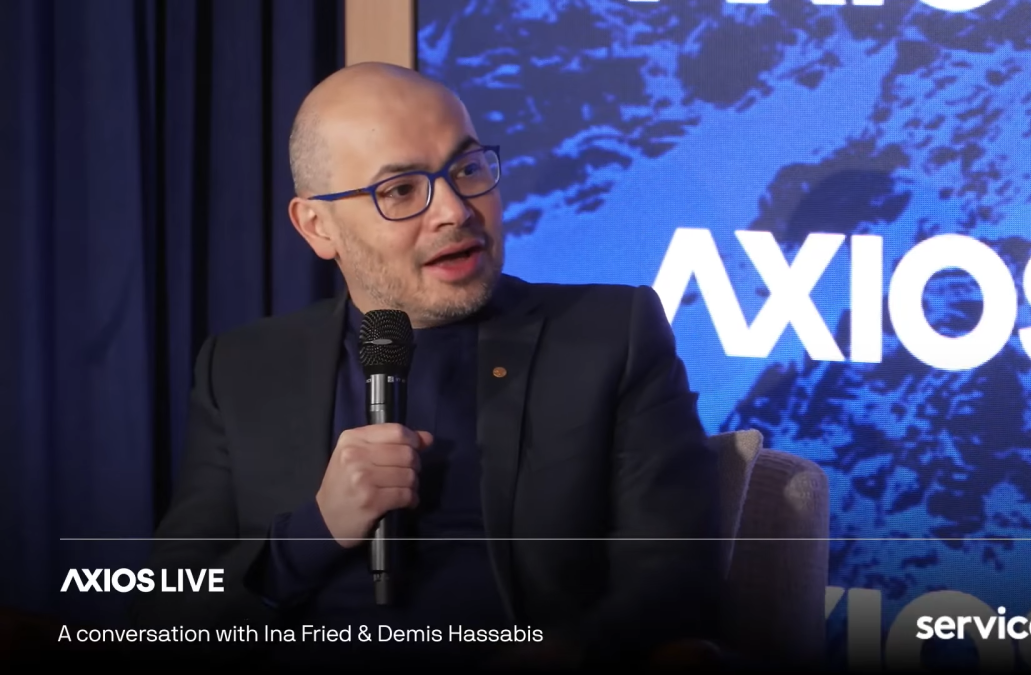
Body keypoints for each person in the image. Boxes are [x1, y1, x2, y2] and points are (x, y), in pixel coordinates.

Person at [130, 63, 721, 669]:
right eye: (401, 190)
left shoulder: (609, 334)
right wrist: (317, 530)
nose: (455, 211)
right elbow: (165, 610)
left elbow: (676, 572)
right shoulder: (242, 368)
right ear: (318, 226)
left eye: (468, 169)